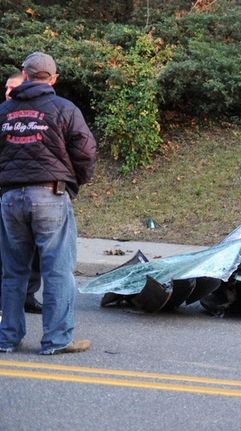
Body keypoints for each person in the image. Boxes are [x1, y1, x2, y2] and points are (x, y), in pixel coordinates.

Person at [0, 52, 96, 354]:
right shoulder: (64, 109)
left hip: (10, 197)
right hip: (49, 195)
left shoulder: (3, 111)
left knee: (13, 272)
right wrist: (71, 183)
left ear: (24, 75)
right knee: (57, 270)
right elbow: (86, 152)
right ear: (53, 79)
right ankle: (56, 340)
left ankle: (7, 338)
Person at [0, 71, 43, 314]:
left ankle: (28, 295)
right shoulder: (2, 115)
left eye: (14, 87)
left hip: (30, 193)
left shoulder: (37, 116)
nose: (9, 92)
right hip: (8, 192)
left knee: (35, 250)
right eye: (7, 87)